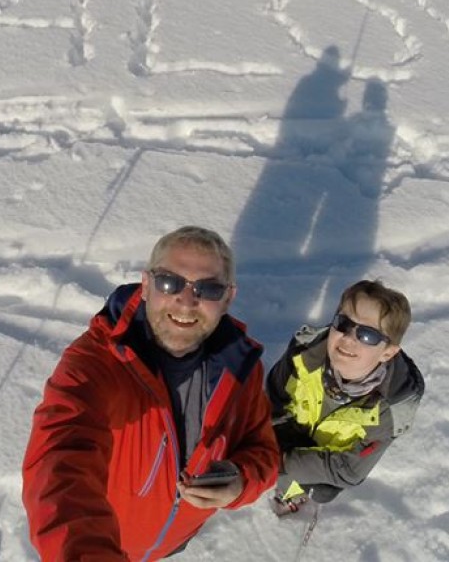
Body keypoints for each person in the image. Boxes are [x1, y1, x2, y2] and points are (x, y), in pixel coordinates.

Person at [22, 225, 279, 560]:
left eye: (208, 289)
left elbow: (264, 452)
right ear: (146, 285)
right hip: (106, 545)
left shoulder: (241, 368)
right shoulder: (97, 362)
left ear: (228, 297)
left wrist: (240, 482)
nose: (186, 302)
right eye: (169, 283)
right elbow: (60, 459)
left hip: (174, 540)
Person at [265, 279, 424, 516]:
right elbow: (276, 395)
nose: (349, 338)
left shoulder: (389, 410)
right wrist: (272, 443)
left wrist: (281, 463)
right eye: (344, 323)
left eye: (368, 335)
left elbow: (348, 470)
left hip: (330, 459)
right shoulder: (303, 353)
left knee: (322, 491)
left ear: (388, 352)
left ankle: (289, 495)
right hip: (291, 432)